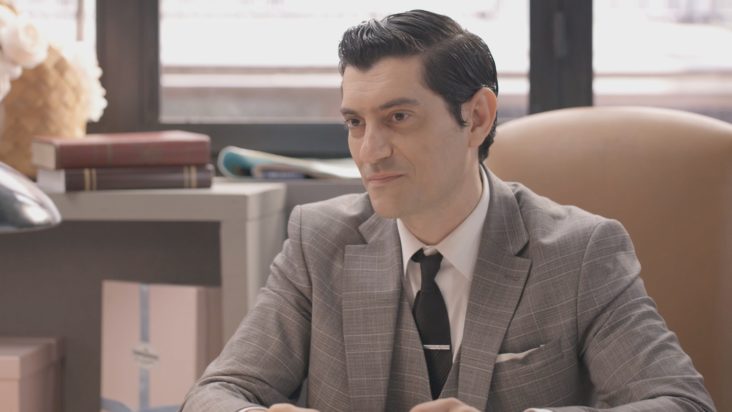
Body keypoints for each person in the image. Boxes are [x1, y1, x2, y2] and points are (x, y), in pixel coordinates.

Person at [181, 9, 715, 412]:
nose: (370, 152)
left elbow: (681, 402)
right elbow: (217, 393)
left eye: (399, 117)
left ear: (477, 117)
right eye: (355, 123)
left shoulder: (580, 253)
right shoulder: (318, 241)